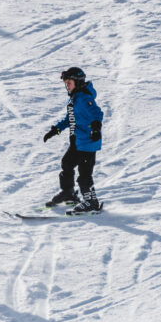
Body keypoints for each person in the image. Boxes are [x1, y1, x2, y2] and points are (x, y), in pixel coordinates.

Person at [42, 67, 105, 214]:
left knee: (84, 174)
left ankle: (91, 202)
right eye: (66, 83)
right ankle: (68, 192)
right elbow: (69, 119)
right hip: (77, 141)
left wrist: (95, 128)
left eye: (69, 82)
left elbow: (97, 113)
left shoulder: (84, 98)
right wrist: (55, 130)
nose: (67, 86)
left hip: (88, 142)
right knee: (67, 163)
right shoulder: (74, 98)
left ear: (78, 82)